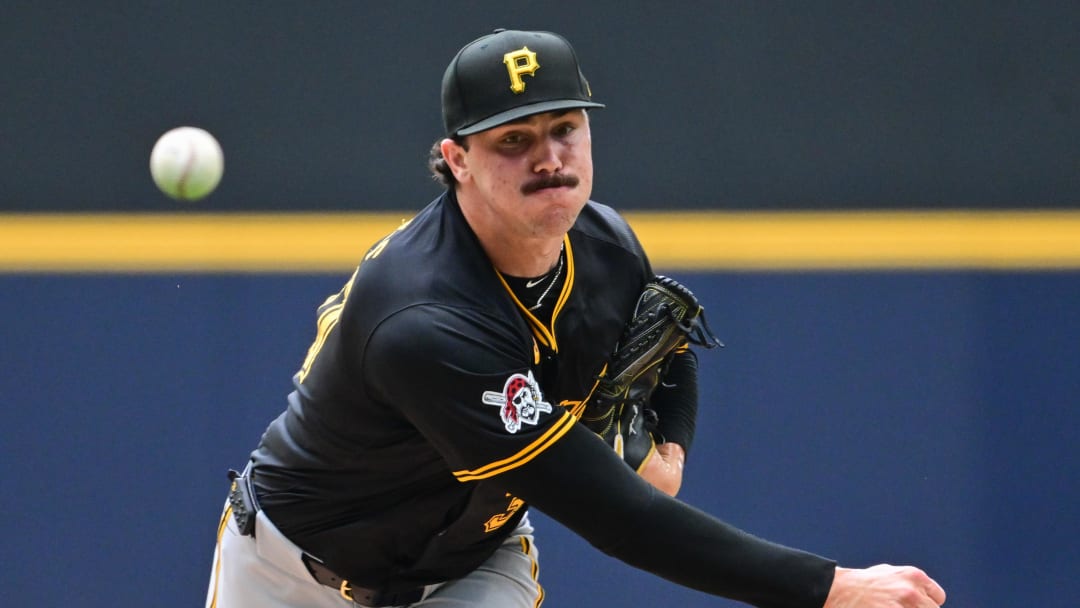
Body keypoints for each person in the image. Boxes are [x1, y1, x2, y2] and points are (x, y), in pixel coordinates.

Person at [205, 28, 947, 608]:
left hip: (471, 567)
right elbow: (618, 518)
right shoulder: (425, 321)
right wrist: (828, 587)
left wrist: (673, 453)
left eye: (565, 128)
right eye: (514, 141)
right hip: (289, 574)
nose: (550, 157)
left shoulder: (604, 245)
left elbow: (669, 345)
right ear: (456, 159)